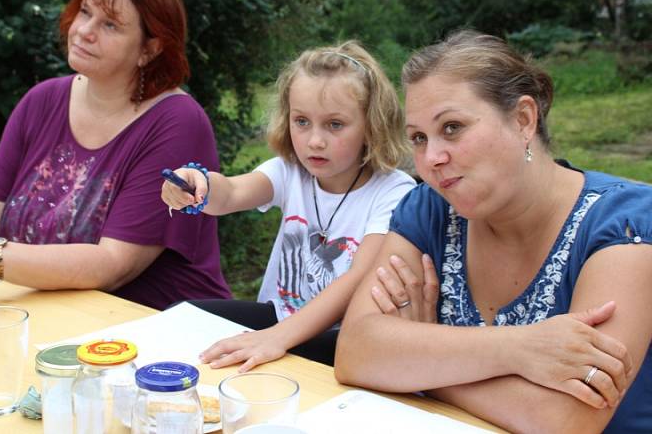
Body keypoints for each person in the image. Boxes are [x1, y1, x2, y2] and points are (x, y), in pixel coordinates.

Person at [335, 30, 652, 433]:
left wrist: (422, 363)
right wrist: (522, 348)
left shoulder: (624, 226)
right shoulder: (430, 211)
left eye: (452, 127)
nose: (431, 159)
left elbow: (563, 420)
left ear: (523, 119)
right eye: (418, 138)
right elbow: (356, 350)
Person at [0, 0, 231, 309]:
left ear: (150, 49)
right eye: (85, 12)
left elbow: (112, 265)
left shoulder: (176, 123)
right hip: (47, 318)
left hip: (159, 335)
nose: (85, 31)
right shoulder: (41, 101)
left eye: (110, 25)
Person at [161, 41, 416, 370]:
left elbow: (357, 279)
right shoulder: (289, 171)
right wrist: (199, 183)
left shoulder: (394, 191)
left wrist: (278, 337)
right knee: (182, 318)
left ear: (371, 125)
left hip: (347, 336)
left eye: (335, 124)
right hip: (279, 318)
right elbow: (233, 192)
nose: (314, 141)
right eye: (302, 121)